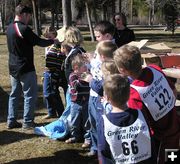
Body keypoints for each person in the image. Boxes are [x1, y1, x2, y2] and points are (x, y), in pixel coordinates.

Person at [113, 44, 180, 164]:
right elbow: (173, 91)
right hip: (174, 123)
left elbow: (140, 125)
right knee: (173, 156)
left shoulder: (134, 93)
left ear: (121, 70)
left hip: (160, 139)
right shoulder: (155, 69)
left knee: (166, 159)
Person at [6, 4, 56, 129]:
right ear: (24, 14)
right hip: (25, 66)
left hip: (13, 66)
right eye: (29, 16)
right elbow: (39, 42)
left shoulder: (9, 28)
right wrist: (53, 41)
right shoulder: (24, 29)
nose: (29, 19)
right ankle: (27, 121)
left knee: (14, 94)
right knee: (29, 95)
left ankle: (11, 120)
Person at [98, 74, 157, 164]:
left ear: (107, 98)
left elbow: (103, 149)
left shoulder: (104, 121)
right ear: (129, 94)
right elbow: (150, 140)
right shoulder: (141, 113)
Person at [87, 21, 116, 157]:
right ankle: (95, 146)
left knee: (100, 124)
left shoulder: (112, 52)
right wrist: (90, 60)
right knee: (93, 121)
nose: (96, 39)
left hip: (101, 95)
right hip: (93, 93)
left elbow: (104, 72)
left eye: (98, 36)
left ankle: (103, 150)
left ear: (108, 36)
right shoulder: (100, 48)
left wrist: (91, 79)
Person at [65, 54, 91, 147]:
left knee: (87, 121)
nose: (87, 67)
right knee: (74, 120)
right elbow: (75, 86)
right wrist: (85, 79)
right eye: (85, 65)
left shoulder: (89, 75)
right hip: (76, 103)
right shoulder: (73, 76)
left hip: (87, 102)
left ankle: (87, 138)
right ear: (76, 67)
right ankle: (75, 136)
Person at [42, 26, 67, 119]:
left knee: (53, 93)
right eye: (46, 37)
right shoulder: (48, 45)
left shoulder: (57, 45)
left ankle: (61, 113)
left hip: (54, 72)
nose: (47, 39)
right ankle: (51, 111)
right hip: (48, 71)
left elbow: (59, 59)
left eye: (49, 37)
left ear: (54, 34)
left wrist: (56, 73)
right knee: (47, 93)